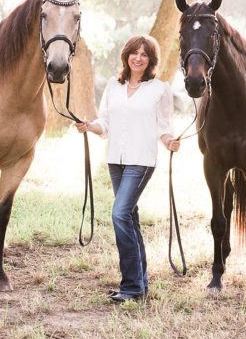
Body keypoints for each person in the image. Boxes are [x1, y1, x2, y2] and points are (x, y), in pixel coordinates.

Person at [76, 34, 180, 303]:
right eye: (134, 52)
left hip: (141, 161)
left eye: (144, 54)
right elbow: (105, 123)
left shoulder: (159, 89)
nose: (138, 58)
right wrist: (89, 126)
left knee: (120, 214)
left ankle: (131, 285)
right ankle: (140, 284)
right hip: (116, 160)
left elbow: (164, 127)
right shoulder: (114, 86)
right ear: (126, 56)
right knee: (130, 218)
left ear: (151, 60)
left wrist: (170, 141)